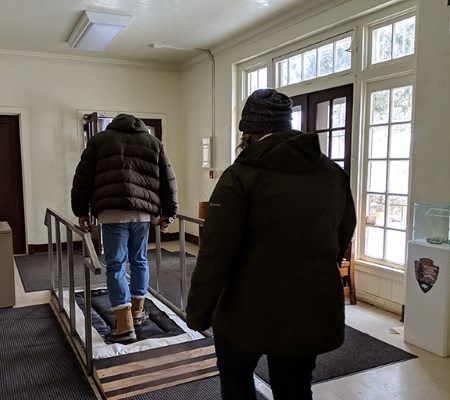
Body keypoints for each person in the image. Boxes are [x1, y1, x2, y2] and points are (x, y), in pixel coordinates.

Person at [186, 89, 356, 399]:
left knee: (237, 381)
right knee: (294, 388)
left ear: (249, 131)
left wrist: (199, 312)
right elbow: (343, 234)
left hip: (246, 308)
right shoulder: (333, 173)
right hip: (309, 306)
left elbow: (216, 254)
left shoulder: (240, 177)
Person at [71, 113, 178, 344]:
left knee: (116, 265)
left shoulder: (100, 140)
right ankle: (138, 312)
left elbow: (83, 178)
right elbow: (169, 179)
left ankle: (124, 324)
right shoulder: (153, 142)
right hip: (143, 213)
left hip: (111, 212)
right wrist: (169, 213)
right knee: (139, 260)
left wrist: (81, 211)